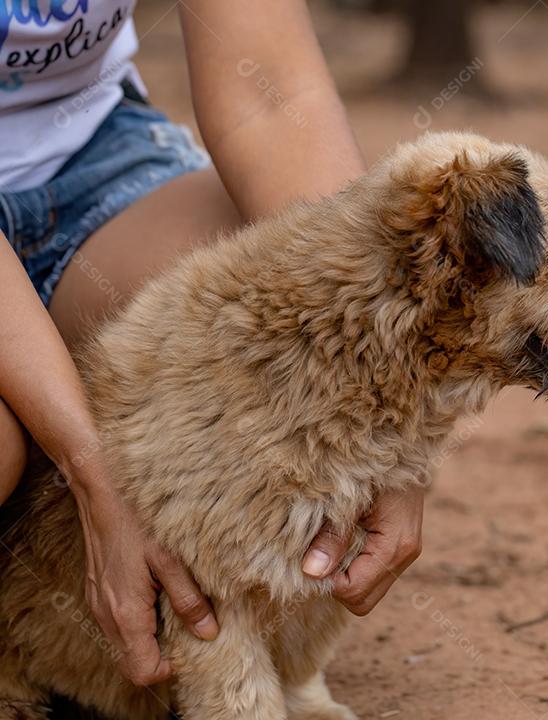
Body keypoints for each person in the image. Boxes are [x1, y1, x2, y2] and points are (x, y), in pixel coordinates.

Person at [0, 0, 423, 687]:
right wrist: (92, 472)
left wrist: (384, 383)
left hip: (94, 155)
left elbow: (273, 90)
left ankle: (207, 639)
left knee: (277, 331)